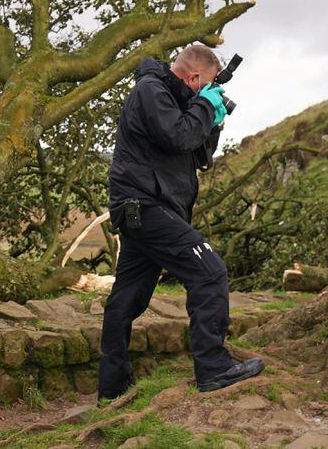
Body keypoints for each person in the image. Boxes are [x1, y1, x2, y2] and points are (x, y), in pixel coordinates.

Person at [97, 44, 264, 399]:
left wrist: (213, 118)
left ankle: (111, 388)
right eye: (203, 86)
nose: (204, 93)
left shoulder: (174, 99)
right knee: (210, 272)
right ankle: (213, 368)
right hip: (144, 206)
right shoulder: (150, 90)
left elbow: (199, 153)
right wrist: (204, 104)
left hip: (150, 210)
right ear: (192, 77)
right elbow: (179, 136)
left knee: (126, 300)